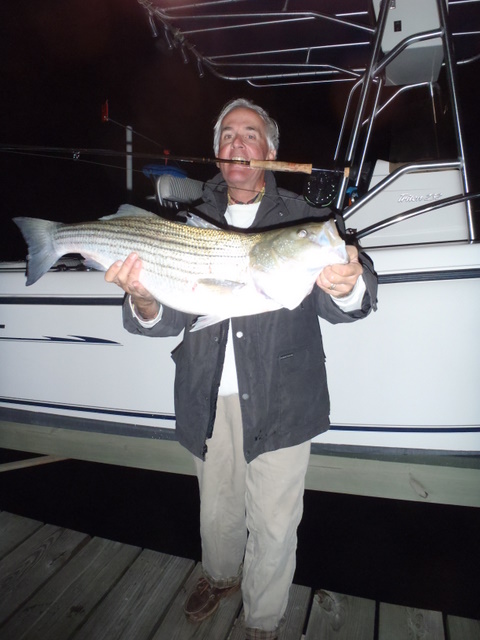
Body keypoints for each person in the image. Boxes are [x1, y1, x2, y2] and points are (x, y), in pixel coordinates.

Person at [105, 98, 378, 640]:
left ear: (270, 150)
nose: (238, 142)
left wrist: (349, 284)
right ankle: (220, 577)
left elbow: (352, 299)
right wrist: (144, 298)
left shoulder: (304, 219)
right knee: (217, 511)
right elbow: (165, 321)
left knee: (275, 522)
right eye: (228, 135)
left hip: (283, 398)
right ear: (217, 153)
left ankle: (263, 621)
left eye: (250, 134)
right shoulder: (190, 220)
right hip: (207, 396)